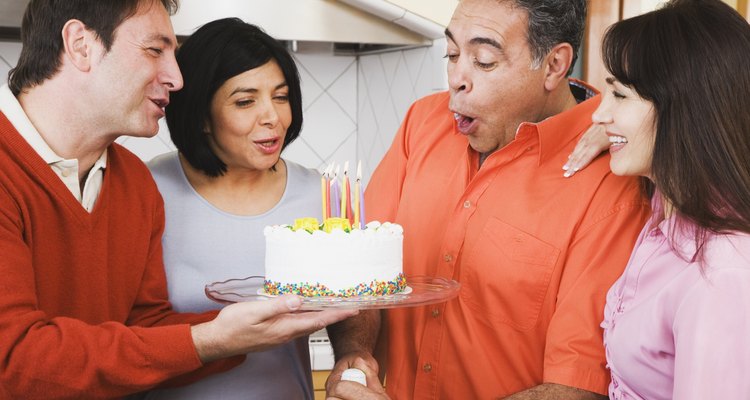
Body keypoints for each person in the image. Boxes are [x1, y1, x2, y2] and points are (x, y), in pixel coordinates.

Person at [0, 1, 357, 398]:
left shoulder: (132, 183)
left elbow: (145, 328)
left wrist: (247, 326)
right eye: (155, 50)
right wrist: (210, 340)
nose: (177, 78)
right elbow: (13, 361)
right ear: (81, 45)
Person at [326, 0, 652, 399]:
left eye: (483, 61)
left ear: (553, 65)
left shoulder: (611, 180)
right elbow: (362, 271)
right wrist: (354, 356)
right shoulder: (422, 123)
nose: (456, 79)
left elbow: (577, 386)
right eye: (451, 54)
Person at [140, 18, 374, 399]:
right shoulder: (146, 190)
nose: (272, 117)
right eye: (245, 101)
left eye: (280, 97)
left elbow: (355, 302)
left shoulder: (322, 195)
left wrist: (353, 354)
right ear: (201, 115)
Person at [569, 1, 750, 398]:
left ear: (684, 108)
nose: (597, 116)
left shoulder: (721, 274)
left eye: (618, 94)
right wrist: (625, 131)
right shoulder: (665, 210)